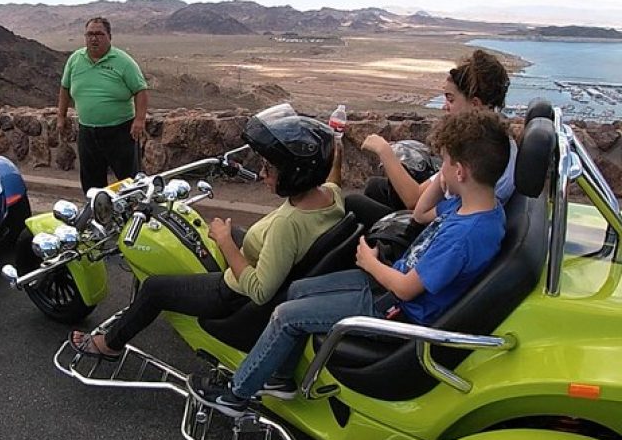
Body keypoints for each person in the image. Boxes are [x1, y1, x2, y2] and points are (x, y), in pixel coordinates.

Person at [187, 109, 510, 417]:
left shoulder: (465, 235)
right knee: (297, 290)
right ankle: (279, 378)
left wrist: (369, 262)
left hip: (396, 309)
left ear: (461, 171)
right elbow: (421, 214)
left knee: (286, 316)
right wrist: (443, 178)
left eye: (446, 161)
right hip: (388, 288)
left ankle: (236, 395)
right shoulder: (476, 208)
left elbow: (408, 289)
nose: (441, 167)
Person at [68, 105, 346, 360]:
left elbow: (260, 292)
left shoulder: (289, 223)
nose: (263, 174)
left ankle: (109, 345)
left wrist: (225, 242)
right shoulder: (331, 196)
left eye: (270, 169)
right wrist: (336, 151)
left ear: (296, 174)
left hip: (238, 294)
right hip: (280, 266)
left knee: (155, 289)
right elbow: (334, 180)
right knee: (229, 231)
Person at [346, 49, 515, 229]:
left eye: (451, 99)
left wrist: (384, 151)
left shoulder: (473, 151)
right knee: (376, 187)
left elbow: (414, 201)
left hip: (439, 226)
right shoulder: (498, 141)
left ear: (475, 105)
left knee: (353, 203)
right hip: (445, 213)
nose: (444, 107)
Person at [57, 16, 149, 193]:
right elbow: (65, 88)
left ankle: (134, 216)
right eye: (90, 34)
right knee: (92, 183)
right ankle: (98, 216)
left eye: (99, 34)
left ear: (109, 36)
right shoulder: (75, 59)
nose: (94, 38)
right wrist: (61, 116)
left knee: (130, 181)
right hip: (87, 132)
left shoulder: (123, 61)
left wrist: (139, 120)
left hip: (120, 131)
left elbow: (141, 90)